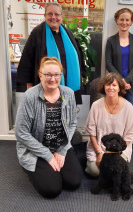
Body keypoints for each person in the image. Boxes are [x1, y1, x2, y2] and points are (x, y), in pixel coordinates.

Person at [15, 57, 83, 198]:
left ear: (61, 75)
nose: (53, 79)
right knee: (52, 189)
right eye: (48, 75)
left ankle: (54, 167)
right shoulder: (30, 96)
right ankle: (32, 168)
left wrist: (62, 150)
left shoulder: (68, 93)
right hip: (36, 149)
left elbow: (72, 124)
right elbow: (21, 133)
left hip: (60, 145)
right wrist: (47, 156)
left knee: (74, 182)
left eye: (56, 74)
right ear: (40, 75)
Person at [16, 2, 86, 105]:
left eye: (57, 14)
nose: (53, 17)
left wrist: (82, 74)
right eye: (50, 14)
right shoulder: (37, 33)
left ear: (61, 16)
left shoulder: (68, 33)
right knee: (48, 114)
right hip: (46, 85)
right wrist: (29, 85)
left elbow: (78, 54)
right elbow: (28, 58)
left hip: (69, 84)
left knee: (67, 114)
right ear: (45, 16)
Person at [85, 72, 133, 177]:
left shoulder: (128, 107)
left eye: (114, 85)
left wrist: (115, 152)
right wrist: (99, 153)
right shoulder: (96, 106)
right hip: (99, 147)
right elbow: (91, 133)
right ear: (103, 87)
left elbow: (130, 135)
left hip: (119, 149)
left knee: (114, 170)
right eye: (108, 85)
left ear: (119, 88)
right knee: (95, 172)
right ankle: (90, 163)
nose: (111, 88)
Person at [105, 8, 133, 112]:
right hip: (115, 86)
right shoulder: (111, 41)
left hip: (132, 86)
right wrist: (121, 81)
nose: (124, 22)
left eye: (127, 20)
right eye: (121, 19)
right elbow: (108, 63)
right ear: (117, 20)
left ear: (131, 22)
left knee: (130, 116)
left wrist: (127, 80)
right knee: (115, 114)